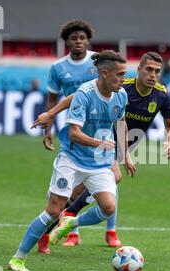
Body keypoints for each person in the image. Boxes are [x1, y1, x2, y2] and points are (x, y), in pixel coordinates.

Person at [32, 52, 170, 250]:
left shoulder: (162, 96)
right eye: (149, 69)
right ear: (139, 70)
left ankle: (47, 231)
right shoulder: (123, 86)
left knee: (77, 192)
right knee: (114, 177)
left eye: (157, 71)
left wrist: (169, 141)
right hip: (101, 141)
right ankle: (72, 217)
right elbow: (77, 96)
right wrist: (50, 113)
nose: (153, 75)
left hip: (122, 144)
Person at [8, 50, 134, 271]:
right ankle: (18, 258)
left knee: (108, 207)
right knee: (53, 211)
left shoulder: (121, 95)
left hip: (99, 163)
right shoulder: (85, 94)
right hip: (72, 159)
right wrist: (98, 143)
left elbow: (121, 122)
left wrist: (125, 155)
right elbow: (74, 133)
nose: (124, 79)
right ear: (105, 73)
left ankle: (71, 223)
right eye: (120, 74)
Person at [38, 19, 123, 252]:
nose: (78, 41)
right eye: (74, 38)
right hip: (75, 134)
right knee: (69, 193)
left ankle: (110, 232)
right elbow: (55, 99)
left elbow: (117, 89)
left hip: (101, 131)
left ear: (88, 40)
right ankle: (58, 230)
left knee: (113, 178)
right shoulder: (58, 68)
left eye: (82, 38)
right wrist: (48, 129)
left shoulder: (100, 62)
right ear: (66, 41)